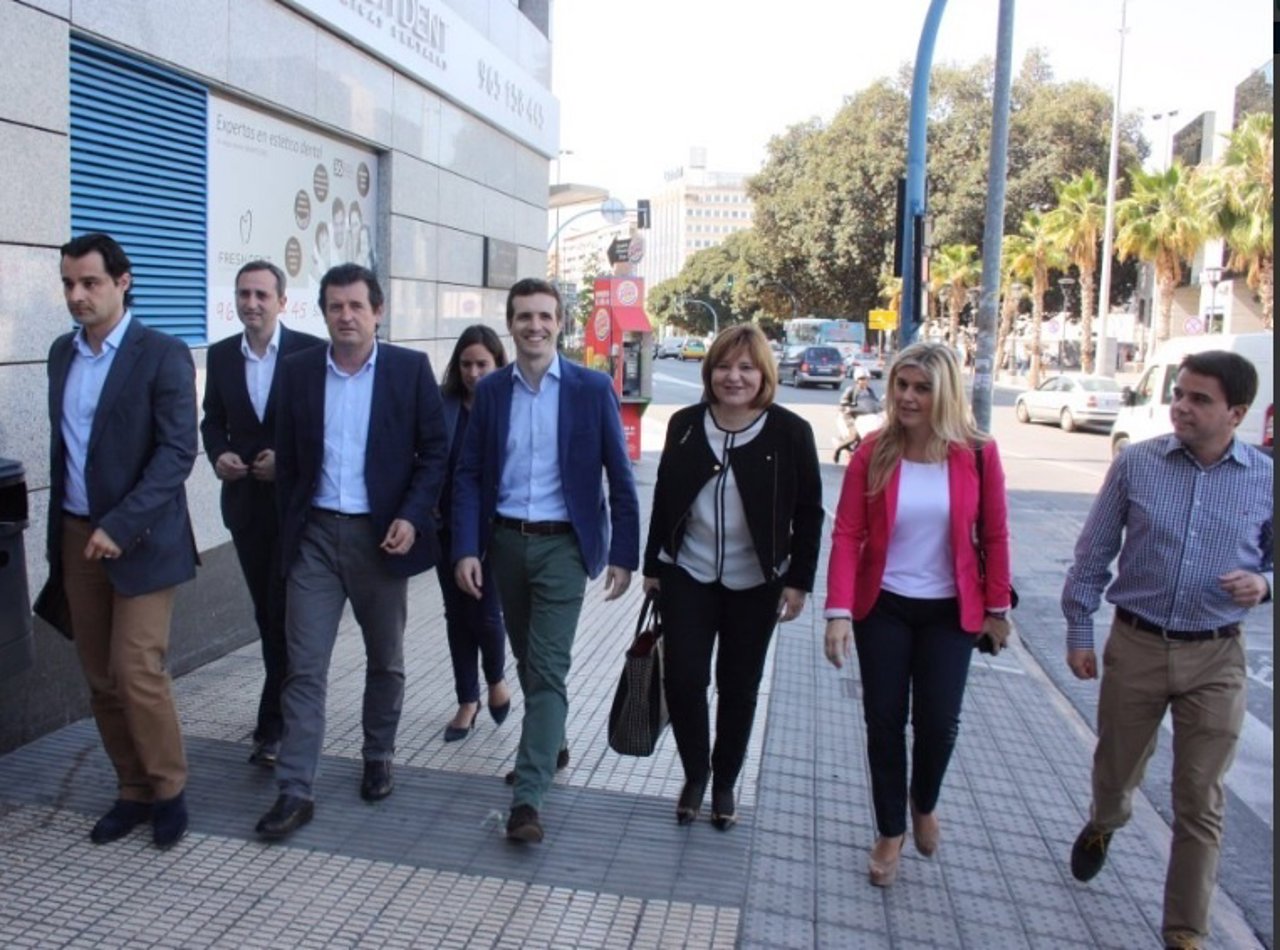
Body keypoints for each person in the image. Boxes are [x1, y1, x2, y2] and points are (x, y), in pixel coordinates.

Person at [1061, 350, 1272, 950]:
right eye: (1179, 394)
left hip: (1217, 655)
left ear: (1236, 413)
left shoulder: (1265, 478)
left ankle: (1185, 931)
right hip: (1138, 643)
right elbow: (1093, 551)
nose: (1181, 406)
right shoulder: (1138, 464)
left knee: (1200, 799)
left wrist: (1264, 584)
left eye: (1199, 399)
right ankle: (1106, 822)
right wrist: (1081, 631)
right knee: (1116, 769)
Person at [254, 264, 448, 841]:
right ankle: (295, 788)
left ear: (377, 311)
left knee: (384, 658)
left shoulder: (409, 371)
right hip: (314, 537)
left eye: (356, 306)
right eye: (335, 306)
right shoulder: (298, 372)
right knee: (303, 666)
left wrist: (411, 517)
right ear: (322, 311)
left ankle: (378, 752)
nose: (346, 316)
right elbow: (287, 459)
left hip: (381, 538)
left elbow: (435, 454)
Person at [452, 277, 639, 845]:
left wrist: (624, 554)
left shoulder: (589, 387)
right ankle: (551, 742)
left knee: (549, 665)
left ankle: (527, 798)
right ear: (510, 324)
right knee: (529, 660)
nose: (535, 326)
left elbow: (619, 474)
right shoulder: (491, 392)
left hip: (563, 545)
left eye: (545, 316)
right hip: (506, 543)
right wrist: (466, 546)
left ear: (560, 324)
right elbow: (467, 473)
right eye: (524, 316)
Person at [823, 341, 1011, 887]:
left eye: (921, 388)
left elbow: (995, 534)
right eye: (901, 385)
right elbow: (847, 532)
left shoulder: (977, 453)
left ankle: (922, 801)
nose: (907, 397)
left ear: (944, 393)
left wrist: (997, 608)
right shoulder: (874, 450)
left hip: (951, 612)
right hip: (883, 607)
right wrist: (838, 611)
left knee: (938, 724)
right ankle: (889, 830)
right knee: (883, 721)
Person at [44, 232, 199, 848]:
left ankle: (169, 790)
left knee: (136, 669)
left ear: (122, 282)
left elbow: (177, 453)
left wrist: (121, 523)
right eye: (68, 284)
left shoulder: (160, 353)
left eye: (90, 283)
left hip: (143, 539)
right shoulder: (62, 354)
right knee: (100, 677)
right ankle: (131, 790)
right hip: (78, 537)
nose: (77, 296)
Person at [643, 324, 823, 830]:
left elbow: (810, 512)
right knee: (683, 680)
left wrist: (799, 581)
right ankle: (695, 773)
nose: (734, 377)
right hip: (688, 574)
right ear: (710, 371)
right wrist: (653, 567)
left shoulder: (790, 432)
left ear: (764, 374)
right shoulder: (683, 424)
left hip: (757, 582)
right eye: (724, 366)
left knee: (740, 686)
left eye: (746, 367)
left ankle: (725, 781)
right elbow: (664, 497)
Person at [200, 261, 324, 767]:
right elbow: (212, 421)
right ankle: (280, 716)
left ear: (281, 301)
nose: (251, 303)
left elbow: (323, 429)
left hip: (297, 511)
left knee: (287, 615)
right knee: (267, 615)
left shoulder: (308, 352)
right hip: (248, 509)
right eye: (243, 294)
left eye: (261, 295)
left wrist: (286, 461)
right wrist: (219, 455)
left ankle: (275, 723)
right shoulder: (223, 355)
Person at [435, 325, 511, 742]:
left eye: (483, 363)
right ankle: (468, 699)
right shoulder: (443, 403)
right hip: (445, 528)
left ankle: (496, 679)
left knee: (484, 610)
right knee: (456, 616)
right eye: (466, 364)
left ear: (499, 363)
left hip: (495, 529)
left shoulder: (511, 404)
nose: (474, 372)